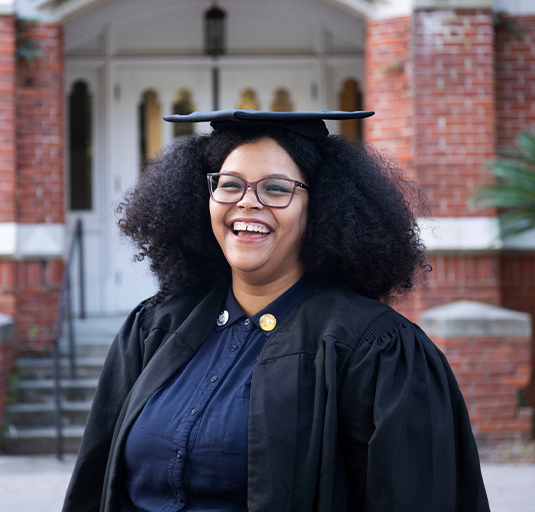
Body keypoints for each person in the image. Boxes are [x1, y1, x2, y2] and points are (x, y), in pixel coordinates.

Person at [63, 110, 490, 512]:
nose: (247, 202)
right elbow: (94, 483)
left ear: (319, 208)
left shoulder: (373, 350)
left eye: (276, 188)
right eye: (229, 184)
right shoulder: (153, 329)